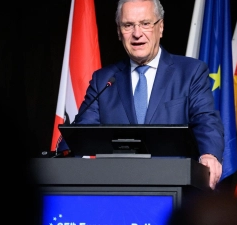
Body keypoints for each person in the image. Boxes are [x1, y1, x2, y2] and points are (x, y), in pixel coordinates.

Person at [61, 0, 224, 190]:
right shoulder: (103, 80)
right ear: (119, 32)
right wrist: (65, 156)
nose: (137, 34)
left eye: (145, 24)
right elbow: (83, 134)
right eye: (128, 25)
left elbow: (205, 119)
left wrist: (209, 154)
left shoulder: (190, 72)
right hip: (118, 191)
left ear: (160, 27)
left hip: (174, 191)